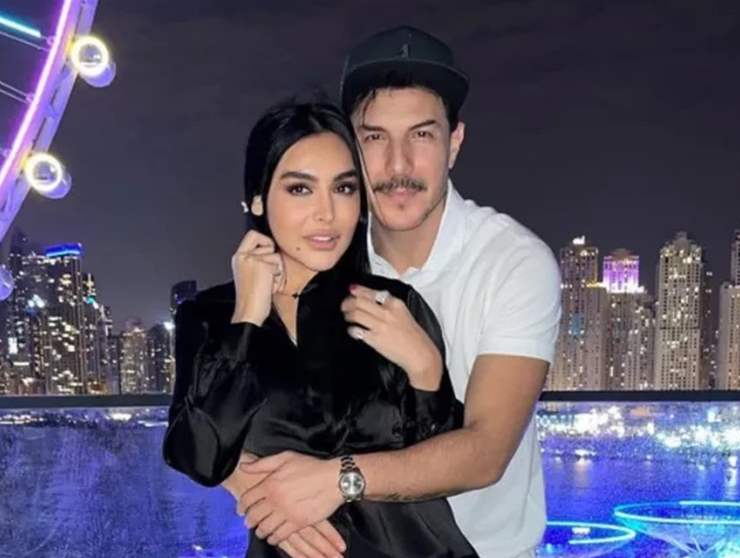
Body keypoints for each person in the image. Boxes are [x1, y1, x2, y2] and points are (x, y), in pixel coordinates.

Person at [230, 27, 563, 558]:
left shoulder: (514, 263)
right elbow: (236, 396)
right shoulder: (322, 251)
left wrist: (336, 480)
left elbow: (485, 451)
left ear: (454, 143)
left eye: (422, 135)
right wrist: (253, 486)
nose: (398, 165)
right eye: (374, 138)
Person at [164, 100, 478, 557]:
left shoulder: (391, 305)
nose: (327, 213)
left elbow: (445, 463)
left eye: (344, 188)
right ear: (257, 198)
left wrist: (426, 367)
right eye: (300, 189)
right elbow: (198, 455)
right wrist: (247, 316)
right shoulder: (209, 316)